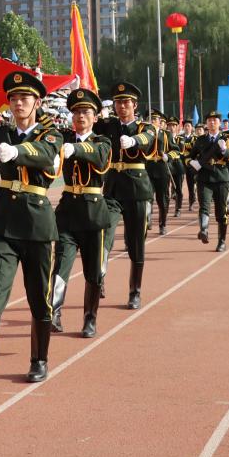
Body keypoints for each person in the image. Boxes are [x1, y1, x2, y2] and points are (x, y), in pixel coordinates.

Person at [0, 37, 63, 382]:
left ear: (38, 102)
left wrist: (18, 152)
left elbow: (47, 155)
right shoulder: (2, 133)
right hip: (4, 220)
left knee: (38, 296)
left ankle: (39, 360)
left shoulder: (52, 133)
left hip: (36, 223)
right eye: (14, 98)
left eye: (25, 98)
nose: (18, 103)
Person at [50, 88, 112, 338]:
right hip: (67, 212)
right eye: (76, 112)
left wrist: (76, 149)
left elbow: (99, 157)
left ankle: (90, 318)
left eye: (85, 112)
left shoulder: (102, 141)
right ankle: (54, 313)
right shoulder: (64, 137)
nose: (80, 116)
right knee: (60, 266)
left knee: (93, 272)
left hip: (93, 215)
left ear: (95, 117)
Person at [93, 82, 157, 308]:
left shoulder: (144, 127)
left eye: (126, 102)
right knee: (104, 232)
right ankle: (99, 275)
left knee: (136, 243)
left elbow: (148, 139)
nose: (121, 106)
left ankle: (135, 291)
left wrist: (133, 141)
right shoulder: (108, 125)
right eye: (118, 102)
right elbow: (86, 119)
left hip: (137, 191)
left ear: (134, 105)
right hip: (112, 189)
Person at [189, 111, 229, 251]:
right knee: (204, 206)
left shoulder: (227, 139)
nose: (212, 122)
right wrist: (192, 162)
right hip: (204, 178)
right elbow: (190, 156)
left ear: (219, 123)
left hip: (221, 178)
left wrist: (225, 151)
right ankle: (204, 230)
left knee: (221, 212)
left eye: (215, 120)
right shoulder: (200, 140)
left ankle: (221, 241)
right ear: (206, 123)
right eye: (209, 120)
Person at [145, 110, 171, 236]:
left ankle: (163, 224)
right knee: (147, 197)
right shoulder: (143, 134)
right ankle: (147, 218)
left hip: (161, 169)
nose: (152, 121)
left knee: (163, 200)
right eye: (150, 119)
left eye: (155, 119)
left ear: (160, 122)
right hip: (147, 168)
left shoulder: (166, 135)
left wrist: (168, 156)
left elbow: (175, 150)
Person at [166, 117, 185, 218]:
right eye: (169, 125)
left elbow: (181, 151)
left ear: (177, 127)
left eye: (173, 125)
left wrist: (169, 155)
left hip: (177, 165)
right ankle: (165, 208)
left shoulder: (180, 139)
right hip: (166, 164)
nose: (171, 128)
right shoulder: (164, 137)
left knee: (178, 188)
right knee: (165, 188)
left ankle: (178, 209)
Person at [179, 120, 197, 210]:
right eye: (185, 126)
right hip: (181, 162)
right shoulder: (179, 138)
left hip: (191, 163)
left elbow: (195, 149)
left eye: (188, 126)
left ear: (192, 127)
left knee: (191, 184)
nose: (187, 128)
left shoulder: (195, 138)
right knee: (179, 182)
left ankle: (191, 202)